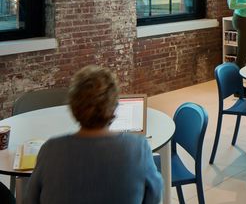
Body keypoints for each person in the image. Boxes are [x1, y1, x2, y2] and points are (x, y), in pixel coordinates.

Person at [25, 65, 162, 204]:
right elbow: (154, 197)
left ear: (73, 106)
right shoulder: (138, 149)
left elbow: (30, 200)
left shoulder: (50, 150)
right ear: (114, 106)